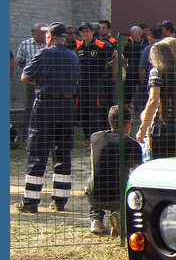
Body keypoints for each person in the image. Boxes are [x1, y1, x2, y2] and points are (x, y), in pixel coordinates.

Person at [15, 23, 80, 213]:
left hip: (46, 105)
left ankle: (30, 201)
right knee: (63, 151)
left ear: (49, 37)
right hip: (68, 106)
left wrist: (43, 81)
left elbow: (25, 77)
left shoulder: (45, 53)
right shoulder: (73, 56)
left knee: (37, 151)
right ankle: (60, 200)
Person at [86, 104, 142, 235]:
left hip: (95, 195)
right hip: (117, 196)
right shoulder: (131, 143)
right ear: (128, 124)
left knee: (94, 177)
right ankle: (119, 214)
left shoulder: (95, 137)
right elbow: (137, 170)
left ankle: (96, 219)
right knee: (129, 179)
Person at [137, 38, 176, 159]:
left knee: (162, 166)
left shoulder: (157, 71)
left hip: (164, 129)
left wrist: (142, 128)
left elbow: (153, 100)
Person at [15, 22, 48, 140]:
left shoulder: (49, 45)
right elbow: (20, 61)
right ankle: (27, 133)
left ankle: (44, 132)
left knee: (46, 106)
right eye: (41, 32)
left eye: (45, 32)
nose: (44, 35)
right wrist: (30, 71)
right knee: (30, 106)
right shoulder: (25, 44)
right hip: (31, 81)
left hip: (47, 80)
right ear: (34, 32)